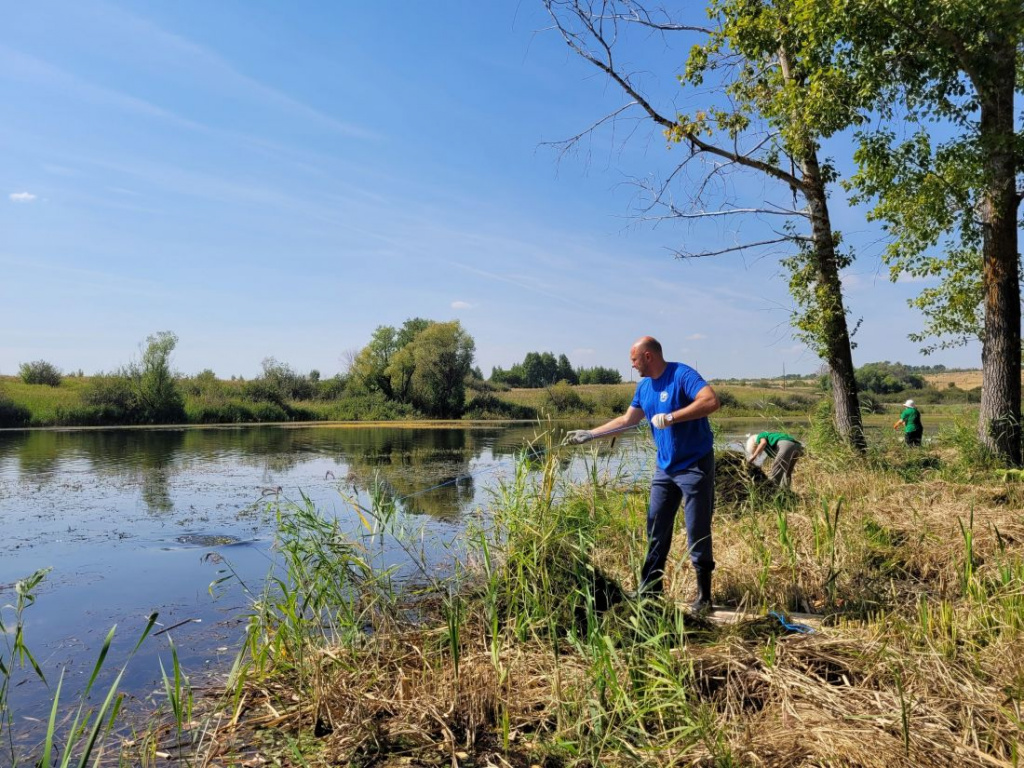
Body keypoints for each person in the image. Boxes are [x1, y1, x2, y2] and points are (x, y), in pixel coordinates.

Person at [565, 336, 720, 612]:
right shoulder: (644, 387)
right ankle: (650, 591)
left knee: (697, 527)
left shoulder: (681, 374)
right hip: (665, 468)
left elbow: (711, 401)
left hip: (695, 465)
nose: (632, 366)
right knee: (655, 527)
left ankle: (704, 597)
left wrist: (673, 417)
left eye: (634, 360)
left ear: (648, 356)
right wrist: (591, 434)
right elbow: (627, 421)